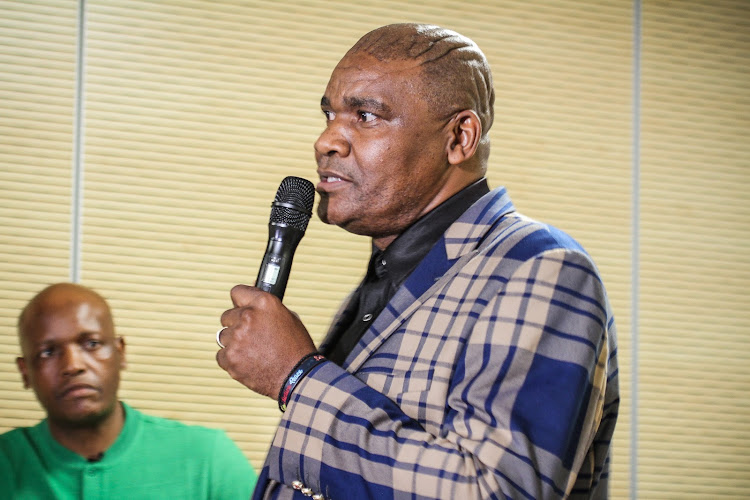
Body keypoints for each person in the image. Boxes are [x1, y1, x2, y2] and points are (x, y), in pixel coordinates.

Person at [216, 23, 619, 499]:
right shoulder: (392, 275)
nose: (326, 140)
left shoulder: (542, 269)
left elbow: (496, 491)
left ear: (459, 138)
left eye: (365, 116)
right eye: (329, 114)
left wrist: (297, 378)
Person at [0, 282, 258, 499]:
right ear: (25, 372)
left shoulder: (207, 458)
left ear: (120, 352)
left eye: (91, 343)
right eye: (48, 352)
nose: (73, 365)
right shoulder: (7, 463)